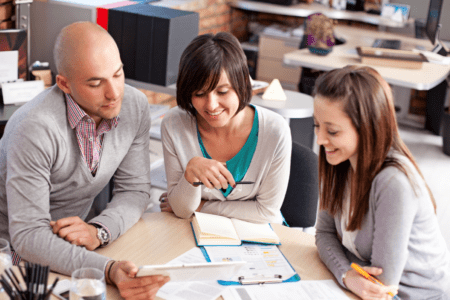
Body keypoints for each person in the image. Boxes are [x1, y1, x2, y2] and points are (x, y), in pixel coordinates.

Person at [0, 22, 169, 299]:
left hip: (75, 251)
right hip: (13, 258)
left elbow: (135, 191)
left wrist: (99, 231)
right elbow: (28, 236)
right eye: (95, 82)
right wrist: (107, 269)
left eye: (118, 74)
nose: (113, 93)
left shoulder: (134, 106)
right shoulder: (33, 128)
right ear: (64, 83)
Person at [314, 65, 450, 299]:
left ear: (367, 127)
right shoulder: (339, 161)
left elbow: (381, 286)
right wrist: (347, 274)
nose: (320, 139)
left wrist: (346, 265)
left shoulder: (394, 183)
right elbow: (324, 234)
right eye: (317, 125)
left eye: (333, 131)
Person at [159, 32, 292, 224]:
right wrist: (191, 174)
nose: (211, 105)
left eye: (222, 91)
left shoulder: (275, 130)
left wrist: (201, 206)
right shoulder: (174, 125)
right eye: (199, 93)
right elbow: (180, 210)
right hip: (194, 233)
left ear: (243, 84)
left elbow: (266, 212)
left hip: (260, 240)